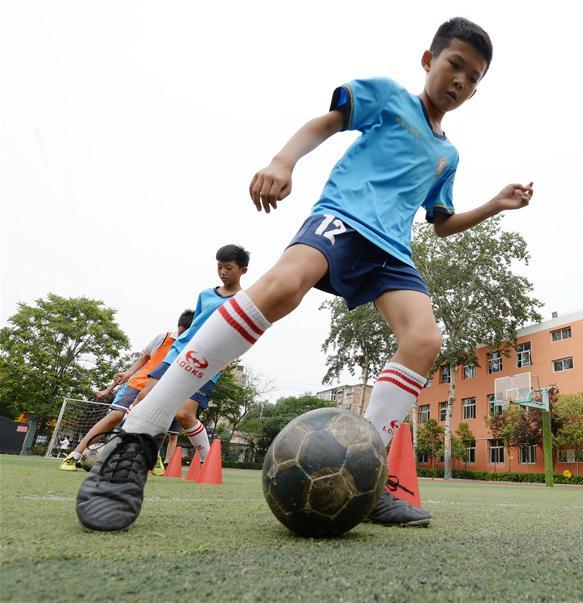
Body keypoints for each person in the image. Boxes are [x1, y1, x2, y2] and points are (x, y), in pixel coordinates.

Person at [76, 17, 531, 532]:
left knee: (424, 339)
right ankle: (137, 434)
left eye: (474, 79)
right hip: (342, 218)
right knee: (283, 287)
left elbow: (442, 223)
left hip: (392, 251)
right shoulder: (387, 96)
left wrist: (495, 204)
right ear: (428, 60)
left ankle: (369, 472)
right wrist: (282, 161)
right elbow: (325, 123)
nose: (461, 82)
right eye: (455, 65)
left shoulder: (448, 155)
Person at [129, 244, 250, 465]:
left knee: (184, 414)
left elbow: (240, 334)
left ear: (243, 270)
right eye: (219, 267)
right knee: (144, 397)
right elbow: (195, 326)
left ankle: (208, 463)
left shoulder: (244, 300)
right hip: (180, 351)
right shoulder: (205, 295)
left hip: (209, 359)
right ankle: (122, 448)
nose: (222, 272)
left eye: (228, 268)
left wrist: (228, 359)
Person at [59, 309, 194, 472]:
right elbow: (145, 356)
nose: (183, 334)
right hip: (140, 384)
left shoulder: (192, 346)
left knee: (156, 425)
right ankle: (74, 455)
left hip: (164, 392)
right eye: (182, 330)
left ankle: (152, 458)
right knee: (116, 415)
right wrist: (129, 373)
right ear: (179, 326)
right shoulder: (163, 338)